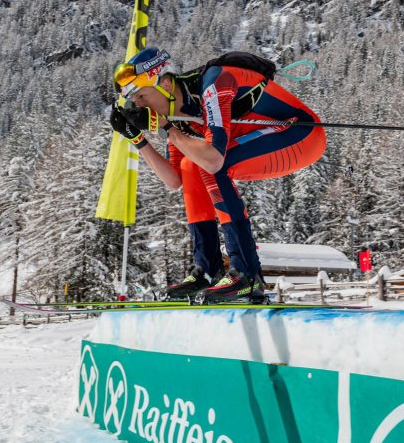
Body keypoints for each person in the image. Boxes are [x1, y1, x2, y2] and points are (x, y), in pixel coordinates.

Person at [109, 47, 326, 301]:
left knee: (211, 163)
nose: (140, 106)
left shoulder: (214, 82)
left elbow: (213, 161)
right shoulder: (176, 115)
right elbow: (175, 180)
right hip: (256, 141)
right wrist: (138, 139)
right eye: (135, 102)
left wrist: (166, 127)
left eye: (142, 96)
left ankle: (246, 273)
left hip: (301, 134)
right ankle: (208, 270)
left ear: (166, 84)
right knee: (192, 165)